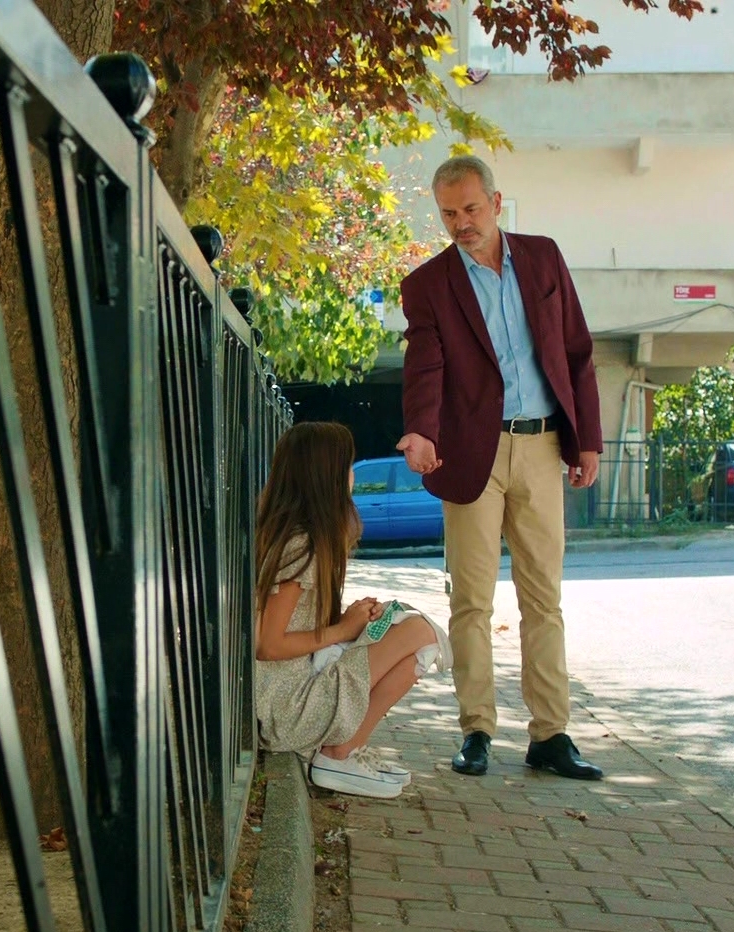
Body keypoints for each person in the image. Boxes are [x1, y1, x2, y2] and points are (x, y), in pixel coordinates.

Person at [395, 155, 605, 782]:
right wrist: (421, 429)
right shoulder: (429, 285)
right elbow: (425, 364)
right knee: (472, 600)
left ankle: (551, 735)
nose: (461, 223)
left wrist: (588, 441)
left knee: (544, 599)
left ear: (495, 202)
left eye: (470, 209)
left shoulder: (543, 258)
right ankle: (477, 731)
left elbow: (577, 351)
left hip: (542, 446)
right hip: (470, 454)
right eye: (448, 214)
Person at [254, 422, 442, 799]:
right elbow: (268, 646)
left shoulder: (303, 539)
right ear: (326, 476)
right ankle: (336, 756)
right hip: (288, 707)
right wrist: (341, 631)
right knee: (420, 631)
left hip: (299, 689)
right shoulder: (301, 546)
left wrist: (350, 620)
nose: (353, 475)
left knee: (415, 647)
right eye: (347, 465)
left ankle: (345, 750)